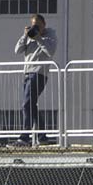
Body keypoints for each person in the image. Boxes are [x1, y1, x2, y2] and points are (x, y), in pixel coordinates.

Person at [13, 13, 57, 146]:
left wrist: (39, 38)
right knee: (31, 105)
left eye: (37, 25)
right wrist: (25, 35)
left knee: (27, 104)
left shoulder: (50, 36)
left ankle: (24, 137)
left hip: (38, 74)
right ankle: (42, 136)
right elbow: (17, 50)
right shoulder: (29, 36)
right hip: (27, 74)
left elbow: (50, 52)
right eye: (33, 25)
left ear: (44, 24)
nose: (35, 28)